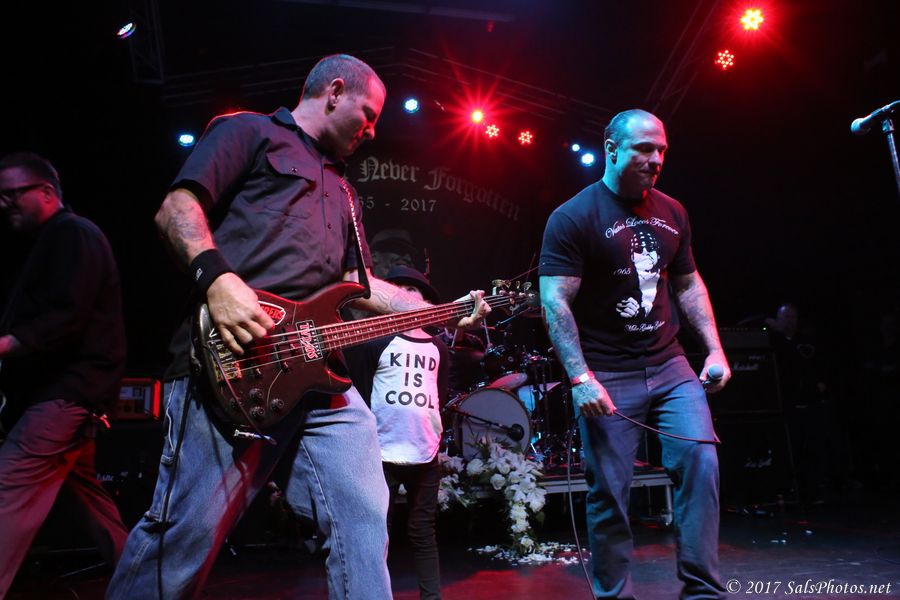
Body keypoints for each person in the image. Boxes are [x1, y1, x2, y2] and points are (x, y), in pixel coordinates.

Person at [107, 54, 488, 600]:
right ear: (334, 92)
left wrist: (437, 309)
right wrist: (217, 280)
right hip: (233, 364)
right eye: (369, 114)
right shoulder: (249, 133)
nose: (372, 131)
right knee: (186, 533)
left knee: (363, 514)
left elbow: (356, 284)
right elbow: (176, 209)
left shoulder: (346, 191)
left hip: (320, 376)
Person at [539, 109, 731, 600]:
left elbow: (688, 284)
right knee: (610, 493)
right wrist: (580, 378)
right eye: (645, 148)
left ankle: (704, 592)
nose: (656, 158)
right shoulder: (573, 217)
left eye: (662, 149)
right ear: (611, 148)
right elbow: (554, 301)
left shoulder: (673, 212)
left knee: (701, 462)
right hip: (607, 371)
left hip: (670, 364)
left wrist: (713, 349)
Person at [0, 152, 129, 598]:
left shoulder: (73, 234)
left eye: (11, 194)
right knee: (90, 502)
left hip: (65, 395)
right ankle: (150, 588)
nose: (3, 204)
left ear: (46, 192)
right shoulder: (50, 241)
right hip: (66, 396)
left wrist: (6, 344)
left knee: (6, 490)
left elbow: (66, 316)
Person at [345, 266, 448, 600]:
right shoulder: (375, 343)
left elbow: (439, 394)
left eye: (412, 290)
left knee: (423, 531)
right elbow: (360, 391)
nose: (405, 295)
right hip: (382, 452)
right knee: (377, 533)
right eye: (398, 288)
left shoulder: (438, 348)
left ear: (425, 300)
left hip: (424, 452)